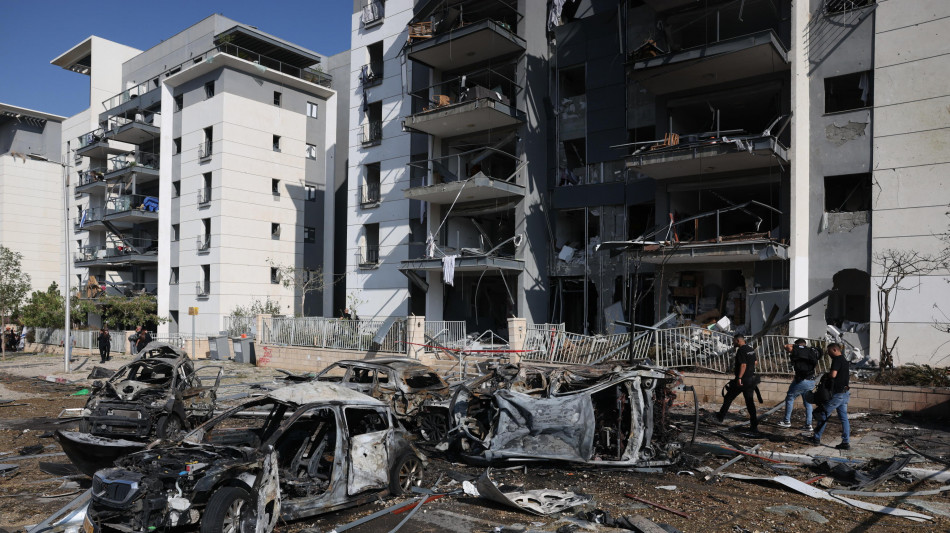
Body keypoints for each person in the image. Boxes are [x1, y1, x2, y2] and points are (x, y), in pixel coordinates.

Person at [714, 334, 760, 433]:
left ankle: (720, 417)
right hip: (750, 380)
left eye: (734, 341)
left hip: (742, 380)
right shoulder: (750, 349)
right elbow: (755, 362)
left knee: (728, 397)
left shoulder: (741, 350)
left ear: (738, 341)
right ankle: (754, 425)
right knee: (750, 402)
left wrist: (739, 378)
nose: (733, 342)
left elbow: (743, 365)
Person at [808, 343, 851, 449]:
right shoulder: (844, 360)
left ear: (835, 350)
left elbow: (833, 375)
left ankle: (816, 438)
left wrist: (827, 375)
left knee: (822, 414)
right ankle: (846, 442)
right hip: (845, 394)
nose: (828, 353)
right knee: (844, 418)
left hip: (837, 395)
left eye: (829, 351)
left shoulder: (837, 360)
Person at [777, 339, 820, 431]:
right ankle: (809, 425)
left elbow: (786, 346)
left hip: (801, 381)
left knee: (790, 398)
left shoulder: (797, 351)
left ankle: (786, 421)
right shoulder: (811, 351)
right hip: (811, 380)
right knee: (808, 402)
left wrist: (795, 346)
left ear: (797, 345)